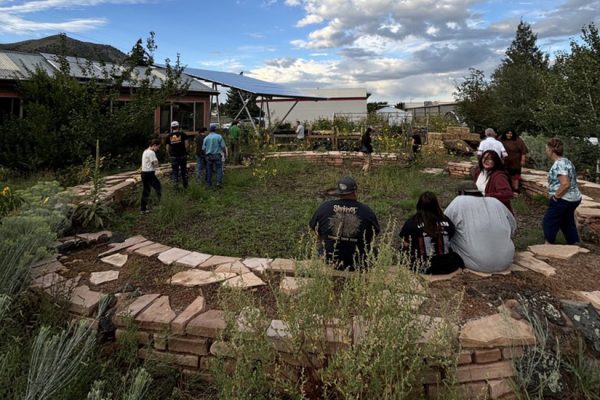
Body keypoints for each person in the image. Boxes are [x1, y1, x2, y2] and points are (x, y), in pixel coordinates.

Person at [309, 176, 380, 270]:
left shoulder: (324, 208)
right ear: (355, 192)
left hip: (329, 260)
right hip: (357, 261)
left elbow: (315, 230)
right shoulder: (367, 212)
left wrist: (328, 240)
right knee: (375, 251)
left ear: (338, 193)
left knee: (321, 248)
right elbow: (373, 236)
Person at [444, 183, 516, 273]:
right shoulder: (495, 202)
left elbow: (444, 228)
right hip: (506, 260)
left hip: (477, 263)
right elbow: (513, 227)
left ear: (461, 192)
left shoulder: (459, 201)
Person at [399, 192, 464, 275]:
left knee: (402, 248)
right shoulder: (446, 220)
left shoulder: (412, 222)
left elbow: (405, 243)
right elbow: (451, 235)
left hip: (423, 267)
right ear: (436, 205)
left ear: (419, 205)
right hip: (448, 266)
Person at [543, 138, 582, 244]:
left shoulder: (559, 164)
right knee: (567, 221)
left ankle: (548, 244)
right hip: (575, 198)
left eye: (546, 148)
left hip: (564, 199)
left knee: (549, 221)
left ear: (551, 150)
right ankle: (574, 243)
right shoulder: (567, 161)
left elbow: (565, 184)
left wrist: (556, 197)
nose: (545, 151)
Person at [500, 130, 529, 194]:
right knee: (505, 175)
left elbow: (523, 150)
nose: (509, 135)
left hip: (516, 161)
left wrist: (523, 160)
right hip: (505, 162)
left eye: (511, 133)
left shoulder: (518, 140)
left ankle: (516, 189)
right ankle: (507, 189)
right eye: (508, 133)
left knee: (515, 175)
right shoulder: (501, 139)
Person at [140, 139, 162, 214]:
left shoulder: (145, 151)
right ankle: (159, 205)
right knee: (158, 187)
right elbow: (155, 164)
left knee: (146, 190)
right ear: (154, 145)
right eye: (158, 147)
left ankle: (143, 209)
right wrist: (158, 164)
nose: (158, 149)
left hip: (143, 173)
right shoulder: (151, 152)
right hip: (149, 173)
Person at [166, 121, 189, 189]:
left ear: (171, 127)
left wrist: (169, 154)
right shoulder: (183, 134)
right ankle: (185, 186)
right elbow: (187, 144)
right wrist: (185, 151)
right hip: (182, 155)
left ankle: (175, 188)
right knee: (183, 171)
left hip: (173, 156)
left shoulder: (169, 136)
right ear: (178, 127)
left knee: (175, 172)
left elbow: (167, 147)